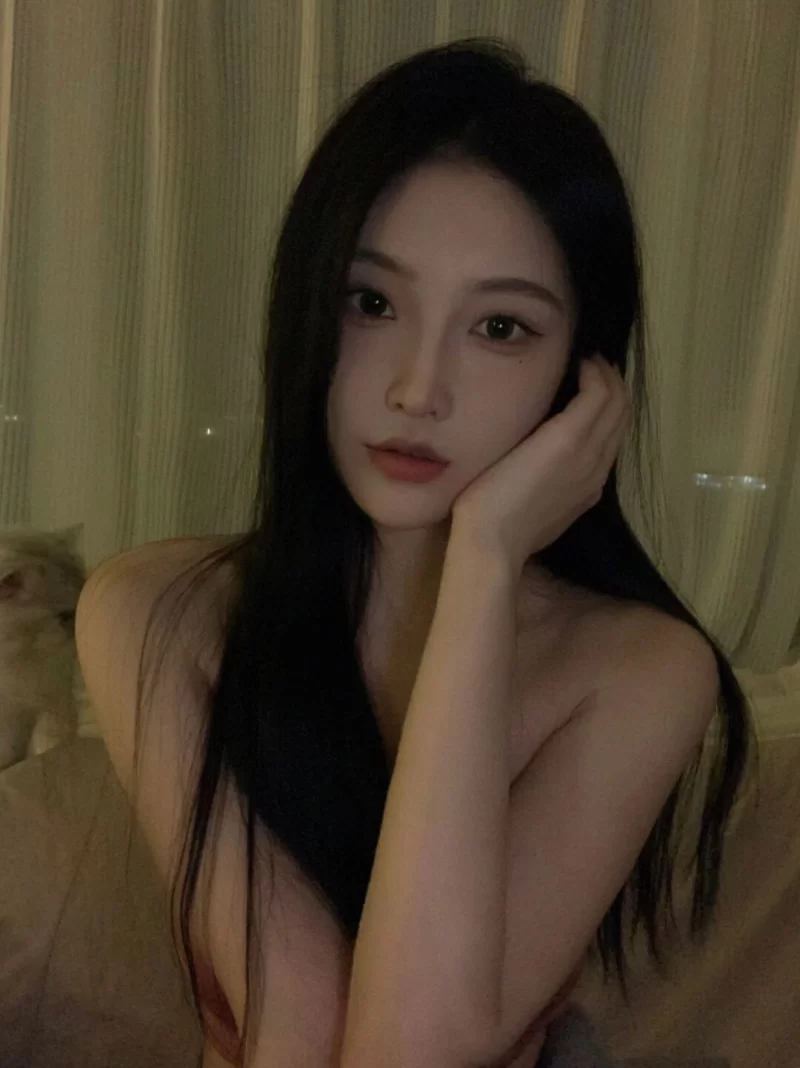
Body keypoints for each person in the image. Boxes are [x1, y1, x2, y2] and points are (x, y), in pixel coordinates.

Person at [75, 37, 756, 1068]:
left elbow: (411, 1049)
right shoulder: (160, 611)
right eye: (373, 303)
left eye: (500, 327)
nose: (416, 388)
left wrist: (483, 564)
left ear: (584, 378)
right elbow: (302, 1033)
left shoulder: (640, 670)